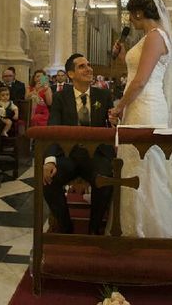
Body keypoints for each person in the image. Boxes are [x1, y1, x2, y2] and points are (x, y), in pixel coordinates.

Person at [109, 0, 172, 238]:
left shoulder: (155, 36)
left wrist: (118, 106)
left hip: (145, 105)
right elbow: (138, 69)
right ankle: (132, 225)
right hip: (140, 104)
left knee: (146, 168)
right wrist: (124, 55)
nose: (130, 23)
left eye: (130, 17)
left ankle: (151, 231)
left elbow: (139, 82)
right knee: (134, 165)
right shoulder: (150, 37)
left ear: (137, 12)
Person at [43, 53, 115, 235]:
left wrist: (116, 120)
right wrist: (50, 159)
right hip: (68, 155)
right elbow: (53, 127)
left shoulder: (104, 95)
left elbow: (112, 124)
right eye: (82, 66)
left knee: (105, 180)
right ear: (71, 74)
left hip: (96, 154)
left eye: (89, 65)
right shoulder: (61, 97)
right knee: (48, 181)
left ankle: (94, 228)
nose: (89, 68)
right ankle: (66, 227)